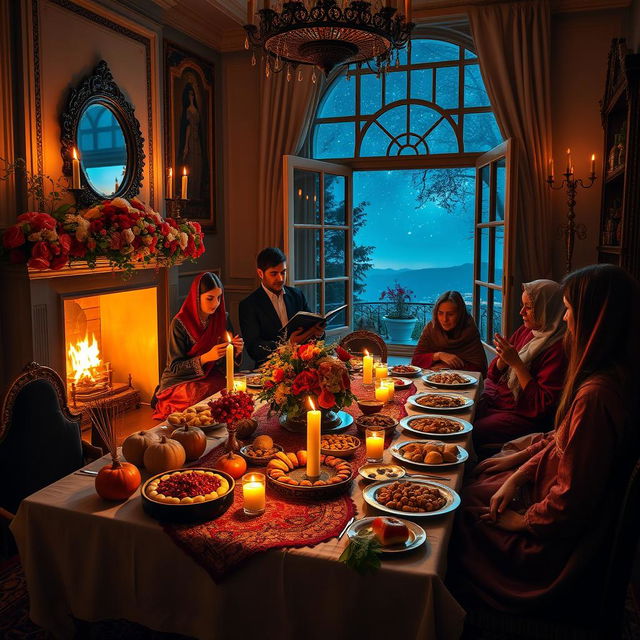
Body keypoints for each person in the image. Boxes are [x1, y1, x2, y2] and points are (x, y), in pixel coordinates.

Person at [449, 264, 640, 615]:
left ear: (594, 319)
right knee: (473, 485)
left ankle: (452, 603)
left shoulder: (597, 396)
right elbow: (562, 442)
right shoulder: (604, 379)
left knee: (459, 514)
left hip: (555, 551)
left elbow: (571, 499)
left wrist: (523, 521)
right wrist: (519, 474)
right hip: (544, 490)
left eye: (569, 309)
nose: (566, 319)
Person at [472, 279, 567, 449]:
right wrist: (503, 360)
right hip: (503, 401)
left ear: (547, 309)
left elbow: (541, 406)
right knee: (465, 412)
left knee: (472, 430)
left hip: (523, 415)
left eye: (528, 307)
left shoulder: (558, 349)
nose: (521, 312)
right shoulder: (527, 331)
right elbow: (493, 374)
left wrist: (517, 364)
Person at [152, 272, 243, 420]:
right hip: (182, 381)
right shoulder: (179, 323)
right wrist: (206, 358)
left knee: (229, 390)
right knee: (197, 395)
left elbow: (230, 368)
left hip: (212, 377)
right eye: (210, 298)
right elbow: (175, 367)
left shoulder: (222, 318)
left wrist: (236, 352)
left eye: (219, 298)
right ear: (196, 298)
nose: (216, 304)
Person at [239, 247, 323, 367]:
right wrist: (287, 343)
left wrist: (318, 333)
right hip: (268, 371)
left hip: (303, 365)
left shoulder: (297, 295)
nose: (281, 278)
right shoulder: (249, 305)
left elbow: (312, 329)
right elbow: (254, 349)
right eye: (274, 273)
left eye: (283, 272)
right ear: (260, 273)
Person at [411, 291, 487, 375]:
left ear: (460, 314)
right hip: (432, 379)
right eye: (440, 313)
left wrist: (448, 367)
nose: (444, 319)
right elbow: (416, 361)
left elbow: (480, 368)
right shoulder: (431, 328)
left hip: (462, 382)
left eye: (450, 314)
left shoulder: (469, 330)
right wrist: (439, 355)